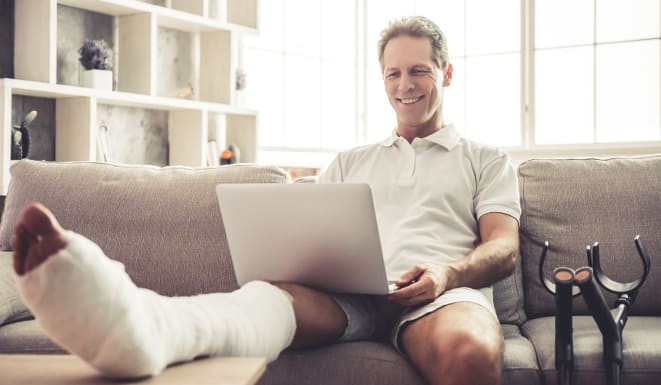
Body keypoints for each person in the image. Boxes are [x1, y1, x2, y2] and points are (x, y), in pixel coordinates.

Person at [12, 16, 519, 385]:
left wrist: (447, 275)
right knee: (261, 302)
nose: (405, 85)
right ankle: (145, 330)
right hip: (348, 299)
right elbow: (311, 238)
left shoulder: (484, 158)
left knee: (470, 353)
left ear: (446, 74)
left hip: (439, 296)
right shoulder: (350, 161)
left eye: (419, 71)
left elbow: (503, 249)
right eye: (393, 73)